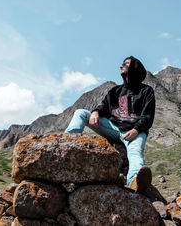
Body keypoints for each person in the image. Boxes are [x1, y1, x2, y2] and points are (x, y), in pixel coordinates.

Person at [64, 56, 155, 193]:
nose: (121, 66)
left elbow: (148, 115)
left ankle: (134, 182)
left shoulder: (146, 91)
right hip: (113, 128)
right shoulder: (115, 91)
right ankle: (66, 145)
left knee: (136, 155)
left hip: (133, 133)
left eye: (126, 64)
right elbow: (103, 107)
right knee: (81, 113)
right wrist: (95, 113)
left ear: (135, 67)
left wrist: (136, 129)